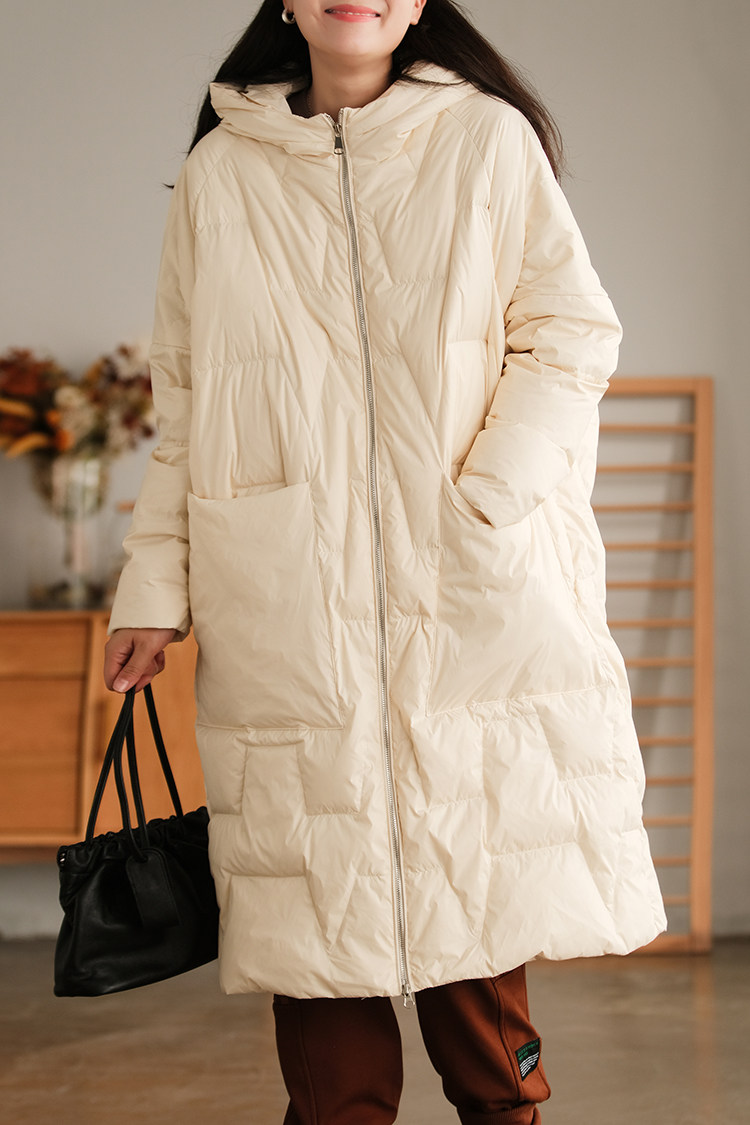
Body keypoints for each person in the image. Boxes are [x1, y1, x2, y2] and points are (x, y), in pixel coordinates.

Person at [104, 2, 667, 1121]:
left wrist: (490, 495)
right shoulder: (222, 175)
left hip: (468, 581)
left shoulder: (486, 138)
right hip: (287, 595)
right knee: (315, 906)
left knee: (472, 876)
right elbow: (191, 400)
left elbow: (571, 332)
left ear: (416, 5)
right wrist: (154, 587)